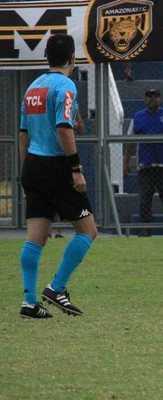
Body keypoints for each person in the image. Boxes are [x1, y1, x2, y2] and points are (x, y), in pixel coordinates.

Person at [18, 33, 98, 319]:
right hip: (56, 166)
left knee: (35, 238)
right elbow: (65, 128)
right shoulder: (65, 85)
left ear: (47, 57)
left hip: (33, 166)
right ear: (72, 58)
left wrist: (26, 172)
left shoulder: (32, 87)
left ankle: (29, 302)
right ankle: (57, 288)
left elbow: (23, 133)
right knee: (88, 231)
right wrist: (76, 169)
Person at [123, 89, 163, 237]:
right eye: (150, 97)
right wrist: (126, 162)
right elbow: (130, 142)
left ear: (160, 99)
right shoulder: (138, 117)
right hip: (145, 165)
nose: (153, 99)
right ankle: (145, 228)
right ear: (145, 100)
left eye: (156, 96)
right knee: (145, 198)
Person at [51, 110, 86, 240]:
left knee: (66, 193)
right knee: (52, 192)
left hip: (70, 156)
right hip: (55, 154)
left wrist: (77, 115)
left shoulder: (74, 110)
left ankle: (59, 229)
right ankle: (48, 228)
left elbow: (82, 128)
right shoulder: (56, 112)